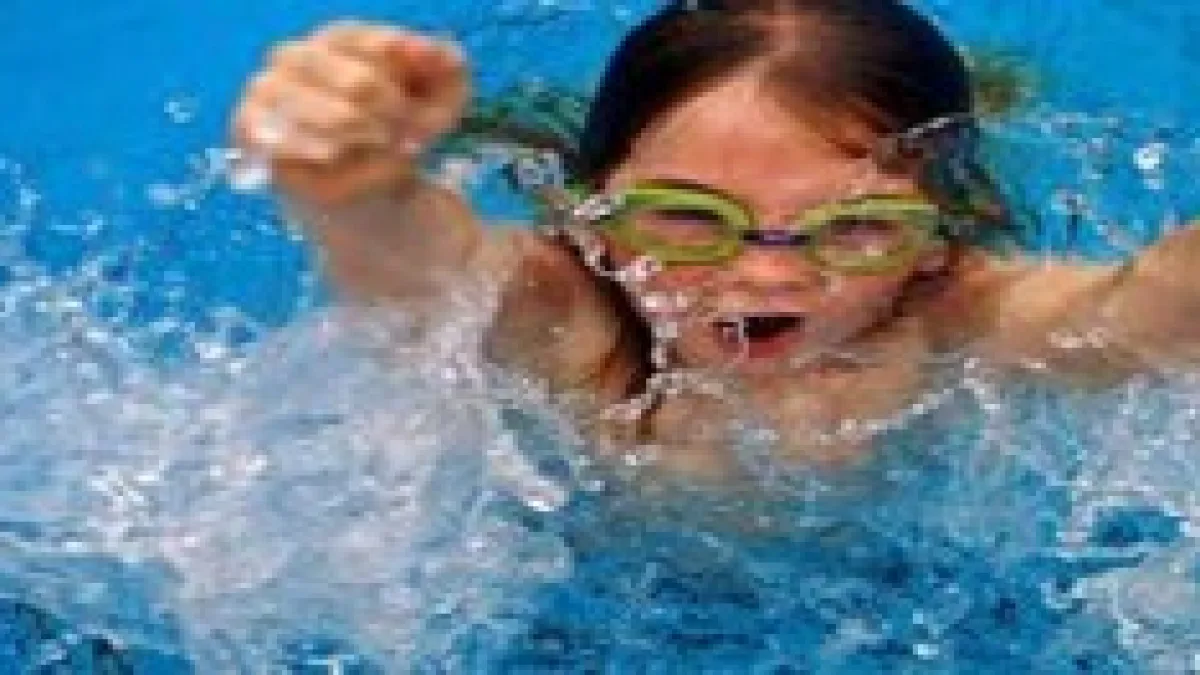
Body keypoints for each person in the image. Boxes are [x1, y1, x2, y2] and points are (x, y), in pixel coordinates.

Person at [231, 0, 1200, 480]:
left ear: (936, 237)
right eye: (691, 217)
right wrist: (348, 181)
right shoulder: (575, 324)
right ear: (590, 210)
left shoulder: (953, 314)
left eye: (856, 227)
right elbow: (425, 270)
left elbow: (1138, 313)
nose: (767, 273)